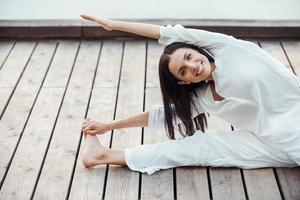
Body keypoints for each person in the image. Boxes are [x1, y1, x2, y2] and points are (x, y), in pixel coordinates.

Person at [80, 14, 300, 175]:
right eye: (183, 70)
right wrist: (109, 125)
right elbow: (161, 115)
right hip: (271, 143)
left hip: (296, 124)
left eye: (189, 56)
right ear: (183, 82)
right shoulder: (204, 97)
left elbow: (167, 32)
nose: (192, 65)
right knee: (200, 146)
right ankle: (103, 155)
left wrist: (114, 25)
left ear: (198, 49)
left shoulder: (228, 48)